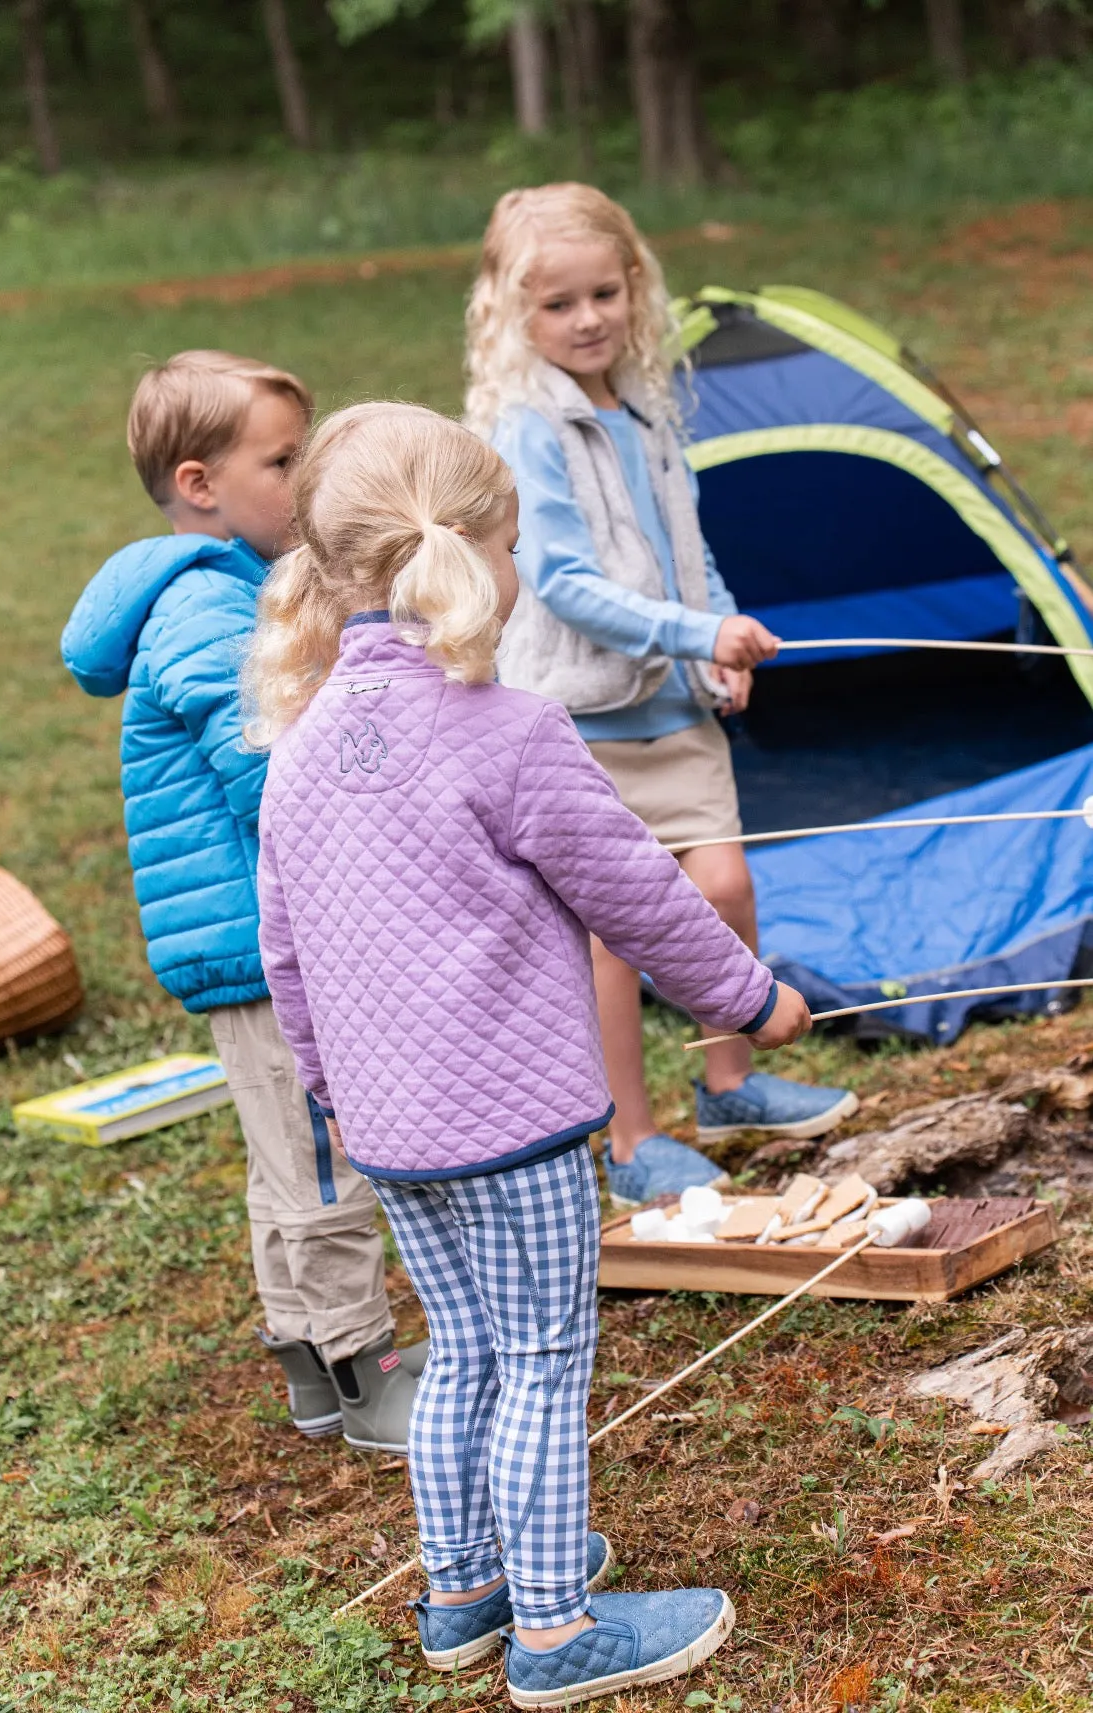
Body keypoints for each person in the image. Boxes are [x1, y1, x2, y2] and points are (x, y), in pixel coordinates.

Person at [245, 399, 813, 1705]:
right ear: (485, 555)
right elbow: (642, 896)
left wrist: (339, 1094)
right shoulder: (508, 732)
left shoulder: (300, 745)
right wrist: (747, 998)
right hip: (517, 1130)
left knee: (463, 1353)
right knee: (546, 1363)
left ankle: (465, 1593)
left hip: (388, 1131)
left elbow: (287, 963)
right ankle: (555, 1628)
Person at [464, 183, 858, 1209]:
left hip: (674, 704)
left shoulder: (643, 410)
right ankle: (630, 1138)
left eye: (606, 292)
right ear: (512, 312)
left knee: (723, 887)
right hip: (581, 718)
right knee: (612, 936)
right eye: (559, 304)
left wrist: (717, 645)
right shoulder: (526, 425)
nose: (588, 319)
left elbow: (691, 556)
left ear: (636, 290)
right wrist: (695, 632)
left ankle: (726, 1082)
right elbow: (560, 583)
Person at [60, 350, 423, 1453]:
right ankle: (364, 1370)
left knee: (288, 1155)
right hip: (265, 943)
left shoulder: (216, 593)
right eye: (283, 459)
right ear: (200, 483)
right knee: (322, 1159)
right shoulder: (202, 612)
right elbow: (269, 770)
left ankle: (311, 1367)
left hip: (244, 942)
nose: (307, 477)